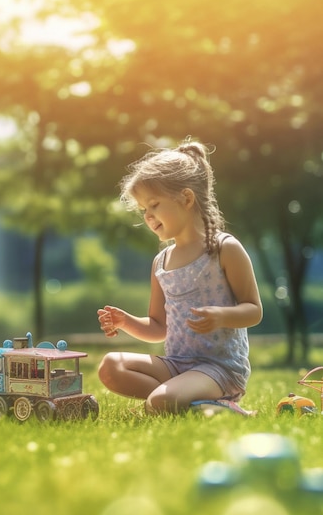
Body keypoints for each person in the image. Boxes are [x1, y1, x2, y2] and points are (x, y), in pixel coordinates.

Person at [97, 139, 262, 415]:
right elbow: (158, 327)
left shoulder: (224, 249)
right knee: (111, 367)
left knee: (159, 403)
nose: (148, 216)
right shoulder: (161, 262)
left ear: (186, 199)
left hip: (219, 369)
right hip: (176, 364)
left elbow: (254, 310)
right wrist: (126, 322)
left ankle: (210, 403)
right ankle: (189, 400)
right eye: (143, 210)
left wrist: (222, 316)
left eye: (154, 205)